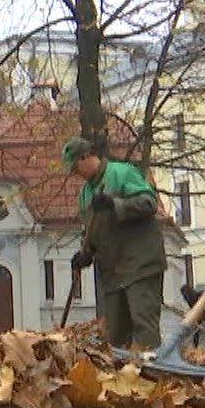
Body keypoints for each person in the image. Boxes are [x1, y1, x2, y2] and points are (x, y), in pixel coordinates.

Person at [61, 137, 172, 350]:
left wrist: (115, 204)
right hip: (113, 273)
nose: (75, 174)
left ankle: (153, 378)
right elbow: (91, 232)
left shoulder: (121, 173)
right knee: (117, 337)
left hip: (140, 264)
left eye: (75, 167)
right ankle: (124, 380)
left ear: (86, 157)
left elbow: (149, 203)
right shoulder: (84, 194)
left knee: (144, 327)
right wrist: (86, 254)